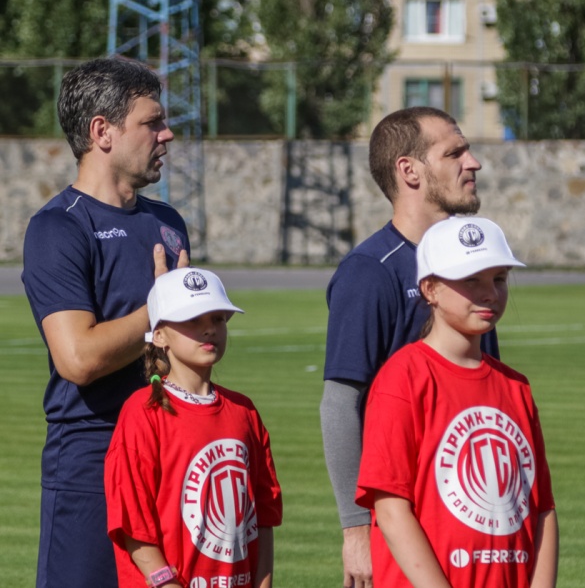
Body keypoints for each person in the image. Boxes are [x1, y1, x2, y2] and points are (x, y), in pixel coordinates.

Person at [21, 57, 190, 588]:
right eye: (152, 122)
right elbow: (79, 358)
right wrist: (162, 307)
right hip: (93, 458)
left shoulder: (168, 223)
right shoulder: (58, 228)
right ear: (102, 132)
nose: (167, 134)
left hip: (169, 450)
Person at [321, 106, 500, 587]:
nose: (474, 163)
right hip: (404, 524)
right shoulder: (370, 272)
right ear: (410, 171)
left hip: (472, 513)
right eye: (455, 153)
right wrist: (356, 528)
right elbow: (340, 405)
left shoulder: (471, 271)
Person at [356, 215, 558, 588]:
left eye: (499, 279)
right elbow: (391, 509)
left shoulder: (516, 387)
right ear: (430, 289)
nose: (490, 293)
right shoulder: (403, 378)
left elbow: (542, 507)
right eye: (471, 280)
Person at [105, 267, 283, 588]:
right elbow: (133, 524)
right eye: (192, 320)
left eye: (218, 319)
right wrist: (167, 582)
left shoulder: (244, 411)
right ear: (159, 335)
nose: (209, 329)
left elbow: (263, 516)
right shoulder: (143, 412)